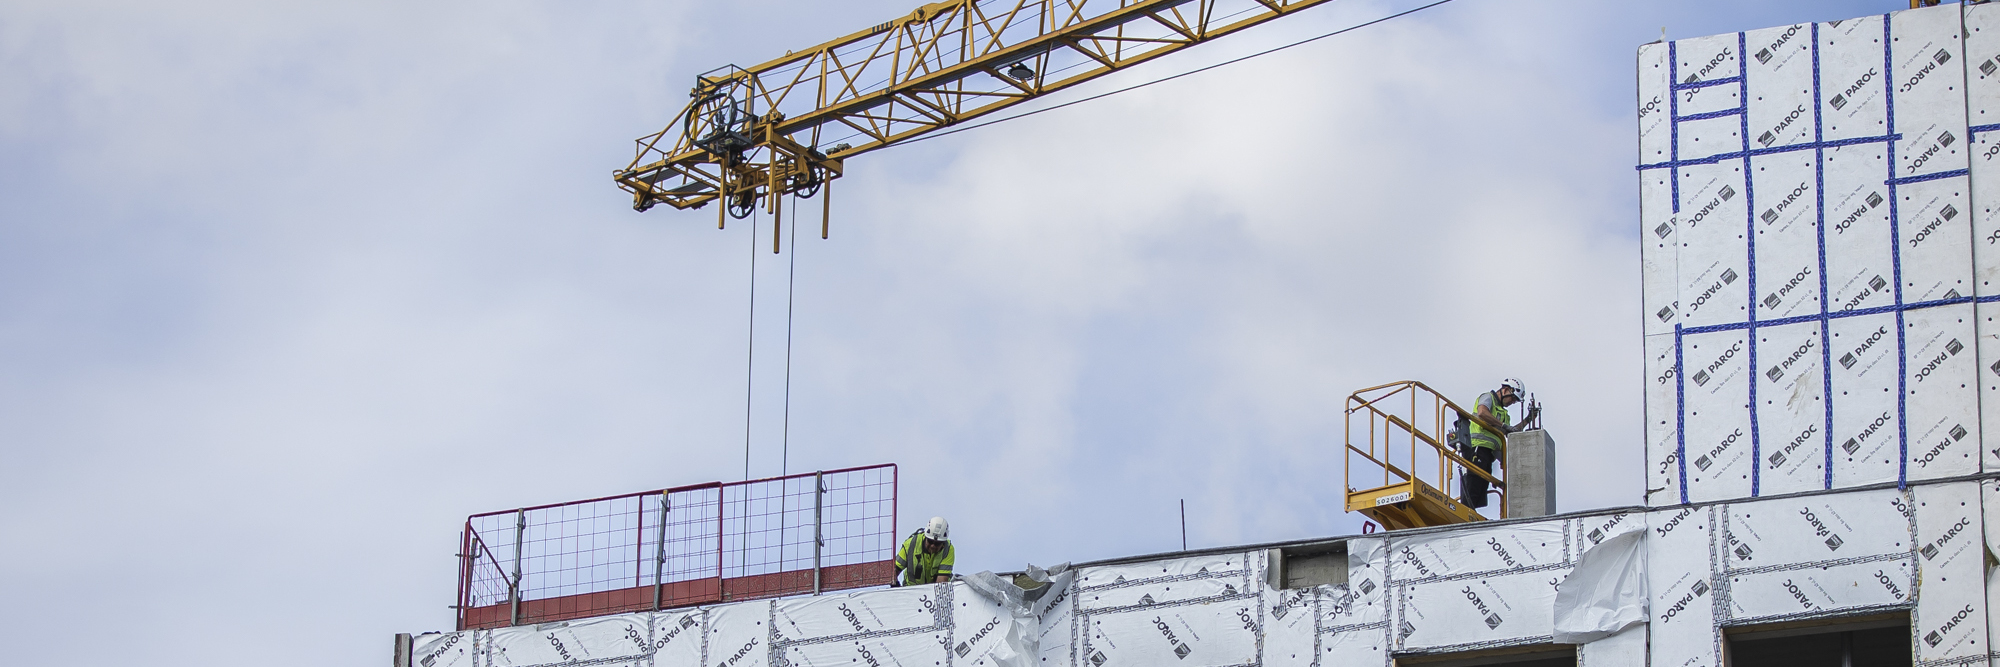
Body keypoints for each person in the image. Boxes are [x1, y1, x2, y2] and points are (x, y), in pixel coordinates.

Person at [1458, 378, 1539, 508]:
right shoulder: (1487, 397)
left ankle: (1471, 516)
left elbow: (1511, 432)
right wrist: (1504, 425)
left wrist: (1528, 419)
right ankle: (1466, 514)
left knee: (1481, 489)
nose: (1513, 402)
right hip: (1477, 448)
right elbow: (1482, 412)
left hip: (1489, 455)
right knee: (1474, 485)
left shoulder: (1504, 414)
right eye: (1513, 398)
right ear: (1506, 390)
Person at [892, 516, 954, 586]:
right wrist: (895, 585)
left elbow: (941, 583)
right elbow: (894, 569)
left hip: (932, 592)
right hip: (910, 590)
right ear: (925, 536)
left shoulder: (948, 550)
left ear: (943, 543)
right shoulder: (911, 545)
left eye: (937, 543)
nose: (932, 546)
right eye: (930, 541)